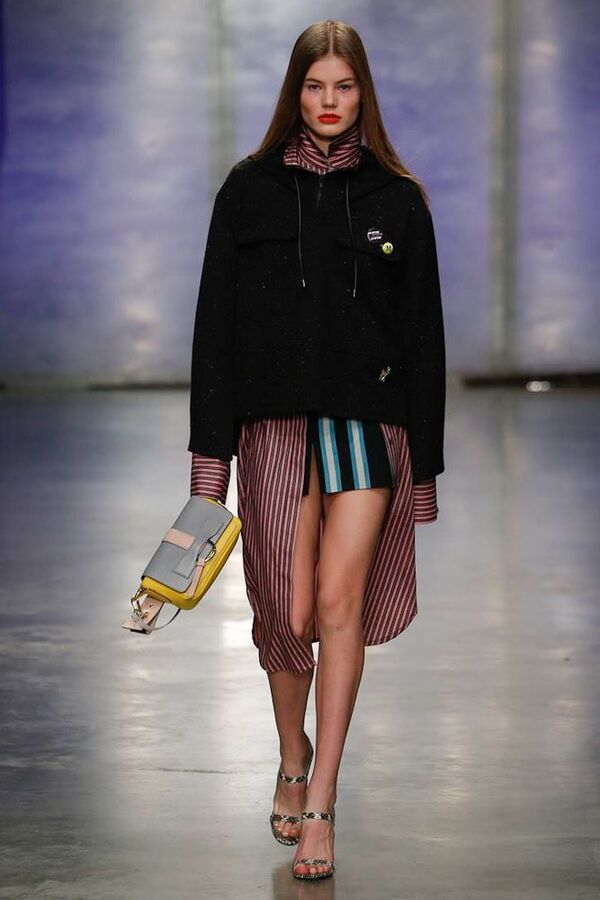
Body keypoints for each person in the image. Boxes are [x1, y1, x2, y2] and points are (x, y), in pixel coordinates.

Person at [188, 19, 446, 881]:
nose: (329, 102)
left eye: (344, 86)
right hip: (272, 425)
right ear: (293, 93)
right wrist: (209, 468)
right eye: (314, 86)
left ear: (363, 92)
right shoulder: (249, 190)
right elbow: (213, 333)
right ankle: (291, 750)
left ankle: (322, 801)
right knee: (287, 613)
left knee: (338, 607)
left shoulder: (396, 199)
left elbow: (424, 337)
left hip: (367, 424)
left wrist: (424, 470)